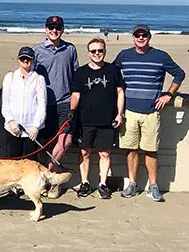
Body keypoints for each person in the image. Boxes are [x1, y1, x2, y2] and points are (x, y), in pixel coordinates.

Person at [114, 24, 185, 202]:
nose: (140, 38)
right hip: (129, 111)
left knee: (151, 151)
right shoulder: (124, 55)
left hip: (152, 112)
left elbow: (179, 74)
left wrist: (168, 94)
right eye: (137, 35)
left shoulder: (160, 56)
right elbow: (113, 74)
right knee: (131, 149)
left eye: (143, 35)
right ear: (133, 37)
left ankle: (153, 186)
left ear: (149, 37)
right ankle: (132, 183)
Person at [70, 38, 125, 199]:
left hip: (107, 120)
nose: (97, 54)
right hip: (85, 120)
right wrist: (72, 111)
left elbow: (120, 92)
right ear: (88, 53)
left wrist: (119, 114)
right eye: (93, 51)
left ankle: (102, 184)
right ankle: (85, 183)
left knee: (104, 153)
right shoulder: (80, 72)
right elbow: (75, 94)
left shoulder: (113, 70)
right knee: (84, 152)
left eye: (100, 51)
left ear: (105, 51)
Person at [32, 16, 78, 198]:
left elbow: (76, 76)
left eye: (57, 27)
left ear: (62, 30)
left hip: (65, 102)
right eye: (51, 27)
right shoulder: (37, 50)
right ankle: (45, 181)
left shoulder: (70, 49)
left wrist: (76, 103)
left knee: (64, 142)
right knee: (44, 144)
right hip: (43, 104)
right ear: (45, 29)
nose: (54, 30)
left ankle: (52, 178)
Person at [1, 47, 46, 160]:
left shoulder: (39, 79)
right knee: (13, 163)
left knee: (30, 164)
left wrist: (36, 126)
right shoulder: (10, 77)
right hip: (13, 130)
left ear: (32, 60)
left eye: (28, 59)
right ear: (18, 59)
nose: (25, 61)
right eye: (23, 58)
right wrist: (10, 121)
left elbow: (42, 105)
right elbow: (5, 104)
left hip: (31, 131)